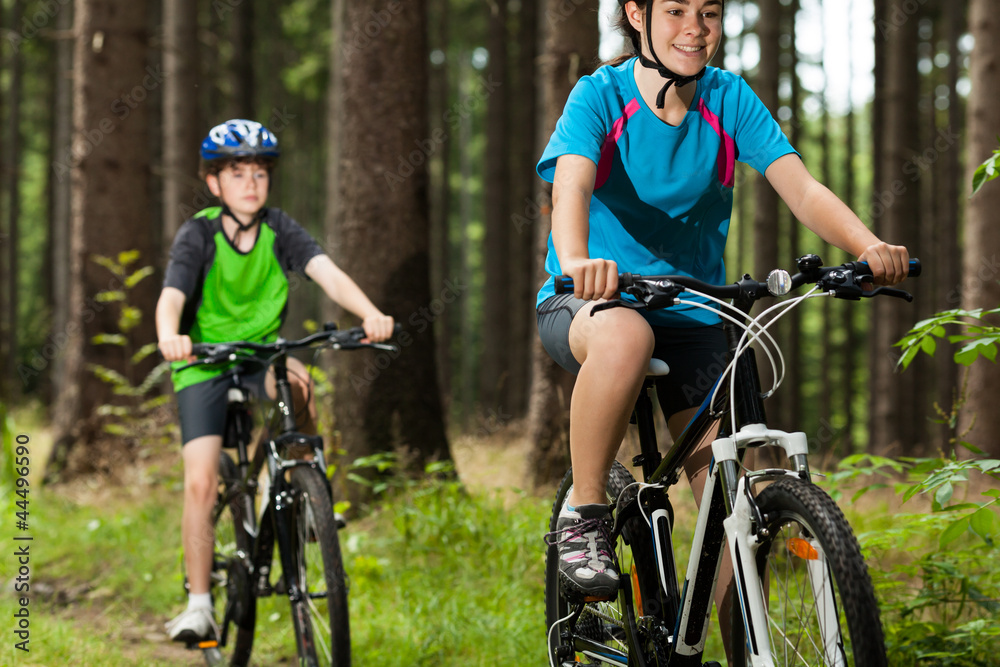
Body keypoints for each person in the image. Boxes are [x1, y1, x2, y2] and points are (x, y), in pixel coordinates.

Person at [537, 0, 909, 656]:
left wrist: (868, 247)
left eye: (708, 11)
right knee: (628, 337)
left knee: (737, 502)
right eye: (676, 9)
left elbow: (803, 189)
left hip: (693, 311)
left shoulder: (728, 100)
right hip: (592, 302)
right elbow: (571, 187)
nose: (695, 27)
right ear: (635, 14)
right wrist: (576, 263)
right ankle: (586, 511)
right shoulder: (599, 95)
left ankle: (696, 643)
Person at [156, 119, 394, 643]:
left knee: (301, 382)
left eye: (260, 172)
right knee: (200, 481)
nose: (251, 183)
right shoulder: (198, 232)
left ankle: (300, 488)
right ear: (215, 183)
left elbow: (324, 271)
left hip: (263, 353)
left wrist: (371, 313)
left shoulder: (278, 228)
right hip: (203, 359)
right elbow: (172, 293)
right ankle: (198, 606)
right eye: (237, 172)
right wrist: (169, 334)